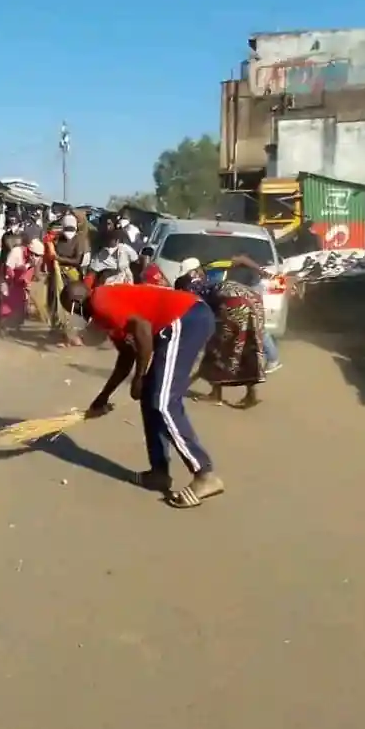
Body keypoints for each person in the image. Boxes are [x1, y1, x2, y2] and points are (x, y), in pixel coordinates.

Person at [62, 279, 222, 509]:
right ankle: (159, 472)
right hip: (186, 319)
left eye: (72, 310)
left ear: (77, 302)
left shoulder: (100, 302)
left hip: (185, 318)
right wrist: (103, 397)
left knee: (164, 402)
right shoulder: (107, 315)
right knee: (150, 397)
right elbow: (126, 357)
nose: (79, 319)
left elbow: (143, 330)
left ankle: (205, 474)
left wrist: (139, 377)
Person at [175, 264, 267, 409]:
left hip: (233, 304)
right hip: (255, 304)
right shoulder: (207, 283)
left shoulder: (191, 291)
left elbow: (203, 319)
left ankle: (215, 395)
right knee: (247, 349)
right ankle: (251, 394)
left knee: (216, 349)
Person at [226, 253, 282, 372]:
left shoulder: (232, 247)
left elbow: (241, 259)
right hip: (243, 287)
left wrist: (262, 271)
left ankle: (273, 359)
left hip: (249, 287)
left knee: (257, 327)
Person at [47, 213, 87, 345]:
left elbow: (77, 260)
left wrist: (59, 259)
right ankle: (60, 334)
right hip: (58, 275)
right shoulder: (58, 240)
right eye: (67, 229)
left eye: (72, 229)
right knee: (56, 303)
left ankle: (73, 335)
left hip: (72, 276)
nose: (69, 232)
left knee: (72, 305)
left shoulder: (80, 241)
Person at [88, 214, 138, 286]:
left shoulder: (124, 244)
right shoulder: (96, 240)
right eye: (103, 224)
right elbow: (94, 269)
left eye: (108, 224)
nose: (105, 227)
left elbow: (135, 262)